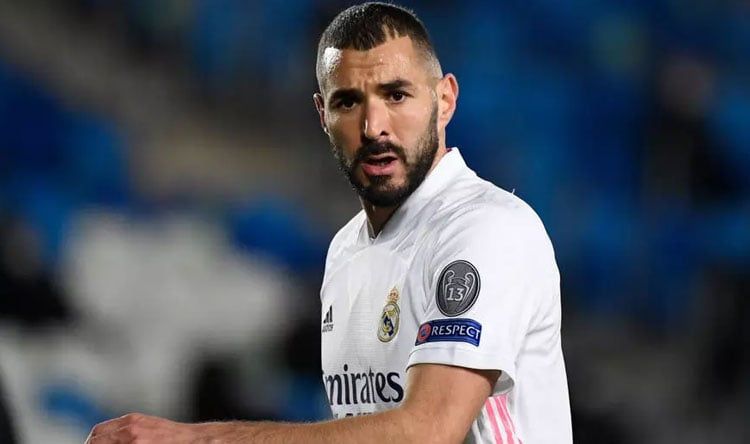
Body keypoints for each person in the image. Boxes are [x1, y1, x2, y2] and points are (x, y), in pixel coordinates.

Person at [85, 3, 572, 443]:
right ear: (323, 114)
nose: (373, 127)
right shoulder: (345, 250)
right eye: (348, 102)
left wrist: (198, 440)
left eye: (396, 95)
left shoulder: (488, 230)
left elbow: (428, 431)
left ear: (444, 100)